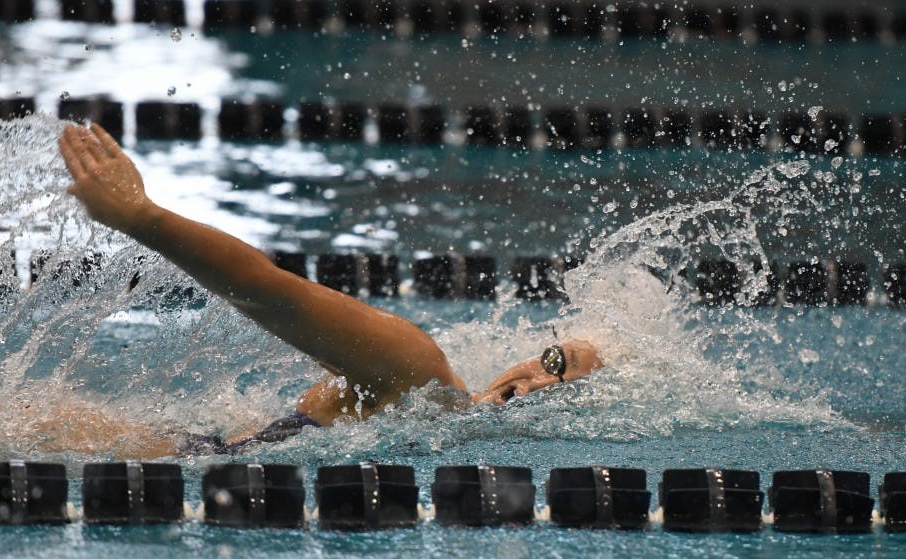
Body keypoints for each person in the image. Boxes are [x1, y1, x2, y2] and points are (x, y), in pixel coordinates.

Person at [58, 123, 604, 453]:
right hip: (164, 460)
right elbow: (268, 291)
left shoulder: (436, 420)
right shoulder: (415, 370)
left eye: (567, 393)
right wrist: (143, 218)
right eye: (554, 361)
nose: (541, 387)